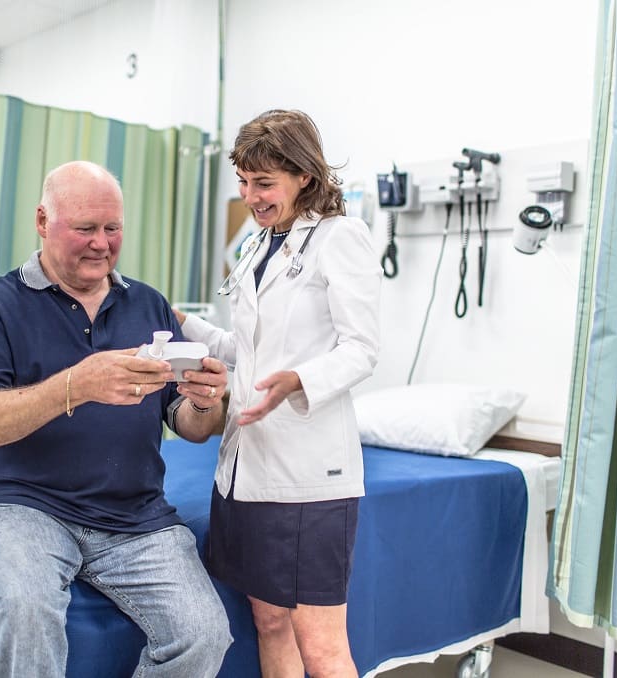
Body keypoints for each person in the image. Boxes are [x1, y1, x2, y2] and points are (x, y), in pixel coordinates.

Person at [0, 160, 233, 678]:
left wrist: (205, 403)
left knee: (204, 635)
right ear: (42, 221)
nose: (101, 243)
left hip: (136, 517)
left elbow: (185, 423)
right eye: (85, 229)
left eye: (112, 228)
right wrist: (76, 386)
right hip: (25, 506)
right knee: (27, 613)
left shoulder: (147, 304)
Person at [174, 110, 381, 678]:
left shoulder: (341, 238)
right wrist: (179, 321)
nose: (250, 196)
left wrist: (297, 381)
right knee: (269, 623)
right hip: (244, 469)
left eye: (263, 183)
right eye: (243, 182)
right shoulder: (258, 247)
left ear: (304, 176)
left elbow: (362, 348)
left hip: (308, 477)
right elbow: (247, 349)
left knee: (323, 648)